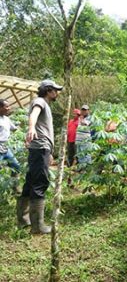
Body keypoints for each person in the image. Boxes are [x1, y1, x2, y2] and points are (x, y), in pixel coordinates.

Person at [18, 79, 63, 234]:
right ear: (48, 90)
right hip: (40, 147)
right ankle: (37, 226)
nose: (57, 93)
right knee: (40, 182)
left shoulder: (46, 105)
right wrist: (31, 128)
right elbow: (34, 114)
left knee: (31, 181)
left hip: (41, 149)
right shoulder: (40, 102)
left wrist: (49, 152)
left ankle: (23, 220)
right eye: (55, 90)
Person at [0, 99, 20, 176]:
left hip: (6, 147)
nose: (9, 108)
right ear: (0, 108)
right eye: (7, 106)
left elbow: (14, 129)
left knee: (16, 167)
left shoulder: (6, 118)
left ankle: (13, 185)